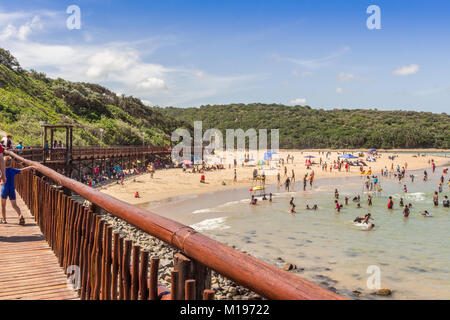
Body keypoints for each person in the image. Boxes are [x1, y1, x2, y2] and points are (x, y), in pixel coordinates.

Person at [1, 157, 34, 224]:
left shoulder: (2, 171)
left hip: (4, 189)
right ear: (11, 163)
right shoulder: (13, 170)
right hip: (12, 189)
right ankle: (20, 215)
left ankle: (4, 220)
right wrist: (31, 167)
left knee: (3, 205)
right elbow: (22, 170)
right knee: (14, 205)